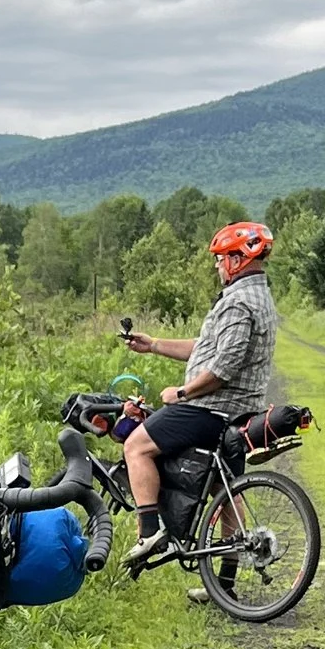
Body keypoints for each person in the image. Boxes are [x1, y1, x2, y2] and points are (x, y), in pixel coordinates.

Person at [118, 221, 278, 564]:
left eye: (221, 259)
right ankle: (225, 583)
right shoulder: (257, 295)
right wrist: (155, 345)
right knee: (227, 491)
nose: (217, 266)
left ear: (237, 260)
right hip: (240, 412)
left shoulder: (238, 302)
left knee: (136, 446)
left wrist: (183, 392)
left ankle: (149, 533)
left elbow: (223, 369)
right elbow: (208, 349)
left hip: (212, 409)